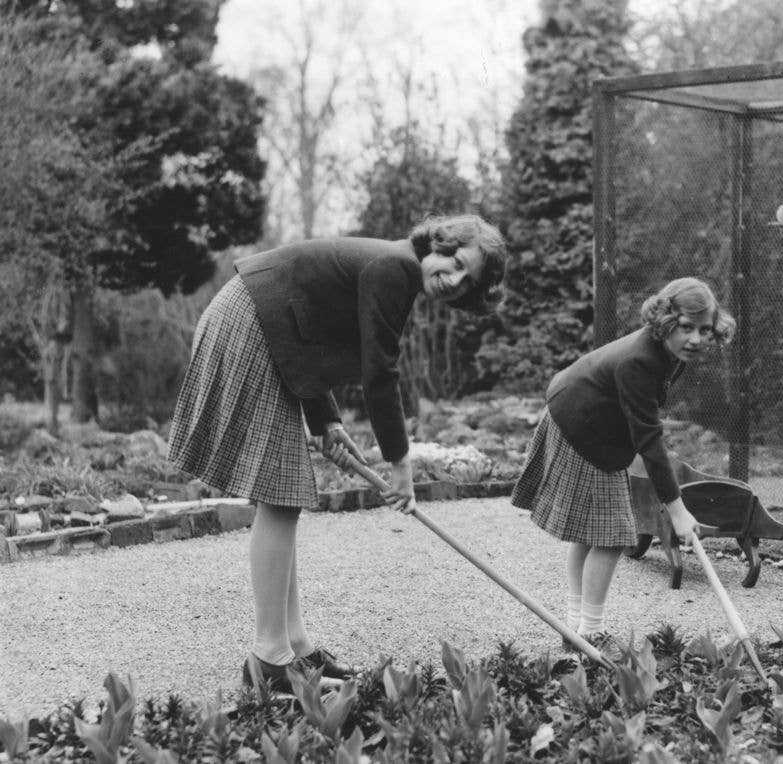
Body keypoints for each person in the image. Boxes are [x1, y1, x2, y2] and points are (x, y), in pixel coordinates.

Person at [167, 214, 507, 693]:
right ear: (438, 243)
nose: (452, 278)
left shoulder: (394, 266)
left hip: (264, 325)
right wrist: (400, 466)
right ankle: (269, 659)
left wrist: (325, 423)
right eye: (454, 260)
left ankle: (296, 648)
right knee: (281, 492)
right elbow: (380, 375)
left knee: (282, 493)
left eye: (466, 279)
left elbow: (306, 330)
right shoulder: (397, 268)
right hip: (249, 322)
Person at [511, 277, 735, 647]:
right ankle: (590, 631)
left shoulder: (668, 352)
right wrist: (676, 510)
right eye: (686, 327)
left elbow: (641, 422)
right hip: (579, 424)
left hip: (589, 419)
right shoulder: (640, 360)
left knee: (592, 531)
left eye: (704, 330)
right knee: (613, 534)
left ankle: (576, 625)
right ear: (665, 321)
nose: (696, 339)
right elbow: (649, 438)